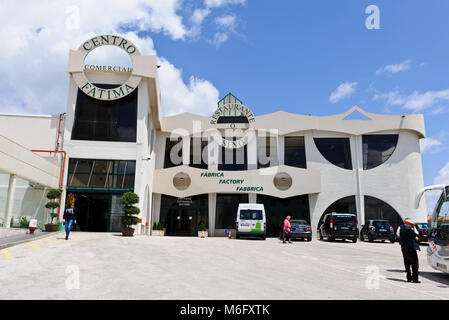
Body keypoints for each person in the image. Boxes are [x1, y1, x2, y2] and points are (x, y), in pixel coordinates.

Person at [397, 218, 420, 283]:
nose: (411, 226)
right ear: (407, 224)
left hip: (404, 248)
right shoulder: (409, 230)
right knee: (415, 263)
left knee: (407, 263)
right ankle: (415, 279)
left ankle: (409, 278)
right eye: (410, 224)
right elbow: (416, 235)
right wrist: (416, 237)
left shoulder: (401, 228)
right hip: (411, 248)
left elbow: (398, 235)